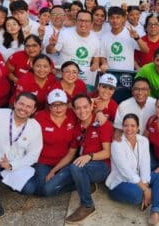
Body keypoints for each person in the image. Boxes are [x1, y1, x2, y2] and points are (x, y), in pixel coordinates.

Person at [106, 113, 159, 226]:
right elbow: (125, 171)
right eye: (126, 125)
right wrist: (145, 189)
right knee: (137, 195)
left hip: (138, 179)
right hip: (120, 182)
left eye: (133, 126)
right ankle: (154, 194)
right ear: (122, 127)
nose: (129, 129)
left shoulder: (143, 140)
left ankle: (155, 212)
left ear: (138, 127)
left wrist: (146, 184)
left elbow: (145, 163)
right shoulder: (117, 143)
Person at [65, 94, 113, 224]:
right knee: (50, 187)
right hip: (86, 164)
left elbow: (107, 153)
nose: (82, 111)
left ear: (92, 106)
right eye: (78, 108)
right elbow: (70, 154)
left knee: (76, 167)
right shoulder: (77, 128)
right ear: (74, 110)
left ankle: (87, 205)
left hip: (102, 166)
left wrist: (89, 156)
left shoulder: (102, 123)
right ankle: (87, 184)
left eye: (85, 107)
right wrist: (54, 171)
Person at [22, 89, 78, 196]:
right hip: (43, 161)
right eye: (54, 105)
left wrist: (54, 171)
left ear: (67, 105)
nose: (58, 109)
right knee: (41, 189)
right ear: (49, 106)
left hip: (64, 161)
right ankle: (70, 182)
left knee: (47, 190)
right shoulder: (40, 117)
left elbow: (88, 112)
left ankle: (75, 182)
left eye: (61, 104)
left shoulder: (73, 116)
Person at [46, 10, 100, 91]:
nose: (83, 24)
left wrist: (96, 63)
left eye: (87, 21)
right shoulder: (65, 34)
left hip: (83, 81)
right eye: (80, 20)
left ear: (92, 23)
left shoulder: (96, 39)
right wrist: (51, 45)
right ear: (76, 21)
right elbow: (50, 51)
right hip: (62, 78)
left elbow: (96, 57)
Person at [100, 7, 149, 72]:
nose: (115, 21)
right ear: (108, 19)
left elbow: (146, 50)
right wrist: (104, 64)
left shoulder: (130, 33)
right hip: (110, 75)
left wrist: (137, 38)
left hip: (127, 73)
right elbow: (103, 56)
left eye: (118, 17)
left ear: (123, 19)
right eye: (112, 18)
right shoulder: (104, 37)